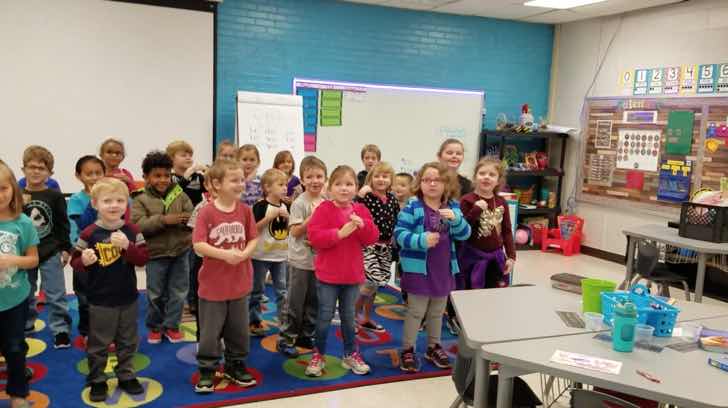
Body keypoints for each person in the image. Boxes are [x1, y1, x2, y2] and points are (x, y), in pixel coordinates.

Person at [71, 177, 149, 402]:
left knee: (128, 340)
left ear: (127, 204)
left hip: (128, 297)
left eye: (119, 200)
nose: (114, 205)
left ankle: (126, 374)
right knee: (99, 343)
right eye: (107, 201)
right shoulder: (89, 233)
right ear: (95, 204)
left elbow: (143, 259)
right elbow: (75, 263)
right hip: (100, 300)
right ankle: (97, 379)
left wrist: (128, 247)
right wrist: (83, 261)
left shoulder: (133, 230)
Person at [395, 162, 471, 373]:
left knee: (438, 312)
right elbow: (399, 235)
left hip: (443, 270)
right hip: (418, 270)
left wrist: (456, 221)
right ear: (420, 184)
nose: (432, 184)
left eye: (437, 180)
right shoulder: (413, 207)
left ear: (447, 184)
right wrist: (420, 239)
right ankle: (408, 349)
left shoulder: (452, 207)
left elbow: (465, 234)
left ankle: (433, 346)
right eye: (427, 180)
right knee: (416, 311)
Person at [305, 165, 379, 377]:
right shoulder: (324, 209)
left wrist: (363, 226)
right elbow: (316, 238)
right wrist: (339, 233)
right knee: (324, 316)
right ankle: (318, 354)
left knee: (348, 317)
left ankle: (350, 354)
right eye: (338, 184)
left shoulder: (361, 211)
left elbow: (371, 238)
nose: (344, 188)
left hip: (352, 276)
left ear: (356, 188)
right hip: (328, 275)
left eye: (349, 184)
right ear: (330, 188)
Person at [192, 159, 259, 393]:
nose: (240, 184)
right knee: (210, 332)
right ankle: (207, 369)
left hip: (240, 283)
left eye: (242, 179)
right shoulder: (206, 212)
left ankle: (235, 364)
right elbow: (198, 245)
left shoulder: (245, 210)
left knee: (239, 330)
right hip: (213, 286)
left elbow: (253, 238)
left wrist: (244, 254)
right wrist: (225, 255)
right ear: (216, 184)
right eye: (234, 180)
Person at [131, 151, 194, 344]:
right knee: (156, 293)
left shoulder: (180, 194)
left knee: (179, 291)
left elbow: (192, 217)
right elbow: (137, 225)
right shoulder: (140, 199)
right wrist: (164, 220)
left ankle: (172, 325)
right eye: (157, 176)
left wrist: (185, 221)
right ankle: (155, 326)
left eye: (166, 175)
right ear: (146, 177)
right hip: (155, 254)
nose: (163, 180)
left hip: (181, 251)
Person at [20, 146, 73, 347]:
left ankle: (60, 329)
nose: (35, 171)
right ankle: (26, 323)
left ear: (49, 173)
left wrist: (66, 248)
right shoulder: (16, 194)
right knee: (25, 291)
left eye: (41, 168)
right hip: (25, 252)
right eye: (31, 167)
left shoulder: (55, 196)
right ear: (23, 169)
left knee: (56, 293)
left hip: (51, 250)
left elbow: (62, 224)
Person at [276, 156, 326, 358]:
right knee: (295, 303)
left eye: (319, 176)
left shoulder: (325, 202)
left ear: (325, 178)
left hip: (319, 262)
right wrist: (311, 219)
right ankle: (286, 339)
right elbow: (295, 232)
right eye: (310, 177)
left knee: (314, 301)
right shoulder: (299, 203)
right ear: (302, 180)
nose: (315, 181)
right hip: (300, 262)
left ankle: (306, 334)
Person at [0, 159, 40, 408]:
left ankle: (18, 392)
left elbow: (33, 259)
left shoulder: (23, 223)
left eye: (3, 188)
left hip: (14, 300)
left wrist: (10, 260)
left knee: (15, 348)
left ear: (13, 188)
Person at [354, 162, 399, 333]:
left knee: (375, 285)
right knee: (367, 284)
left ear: (390, 179)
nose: (381, 179)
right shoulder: (366, 196)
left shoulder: (392, 198)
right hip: (369, 246)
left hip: (385, 247)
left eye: (385, 176)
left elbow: (396, 220)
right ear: (370, 179)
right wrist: (359, 196)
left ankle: (365, 318)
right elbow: (352, 211)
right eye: (377, 176)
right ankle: (351, 317)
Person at [459, 158, 515, 289]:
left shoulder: (501, 202)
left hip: (496, 258)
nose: (486, 177)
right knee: (471, 293)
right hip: (472, 259)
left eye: (492, 175)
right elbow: (462, 229)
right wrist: (476, 210)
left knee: (494, 294)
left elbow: (506, 231)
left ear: (498, 181)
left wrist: (511, 257)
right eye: (482, 173)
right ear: (475, 177)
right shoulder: (467, 200)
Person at [67, 155, 106, 345]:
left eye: (98, 173)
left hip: (106, 255)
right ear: (78, 176)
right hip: (83, 254)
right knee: (84, 297)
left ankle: (106, 332)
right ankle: (87, 331)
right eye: (89, 173)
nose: (94, 177)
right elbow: (83, 225)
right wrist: (93, 201)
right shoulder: (76, 200)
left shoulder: (110, 198)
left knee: (106, 295)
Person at [437, 138, 472, 334]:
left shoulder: (466, 184)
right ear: (440, 155)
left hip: (457, 238)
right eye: (449, 152)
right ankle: (427, 315)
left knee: (455, 278)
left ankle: (452, 315)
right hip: (434, 237)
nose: (454, 156)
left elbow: (467, 212)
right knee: (432, 277)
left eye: (458, 153)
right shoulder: (432, 177)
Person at [167, 140, 207, 313]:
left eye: (190, 154)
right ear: (171, 158)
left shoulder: (198, 177)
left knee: (195, 265)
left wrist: (208, 173)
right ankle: (176, 298)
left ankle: (193, 299)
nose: (188, 158)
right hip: (177, 227)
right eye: (183, 155)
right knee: (181, 267)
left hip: (197, 226)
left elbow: (210, 189)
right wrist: (186, 175)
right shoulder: (170, 178)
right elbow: (171, 196)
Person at [249, 168, 289, 336]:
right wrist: (269, 218)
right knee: (257, 290)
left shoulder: (285, 205)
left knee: (282, 291)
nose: (285, 188)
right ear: (267, 187)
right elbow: (253, 229)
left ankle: (284, 322)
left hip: (280, 256)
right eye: (280, 184)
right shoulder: (260, 206)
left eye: (285, 184)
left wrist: (287, 218)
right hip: (260, 255)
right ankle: (254, 320)